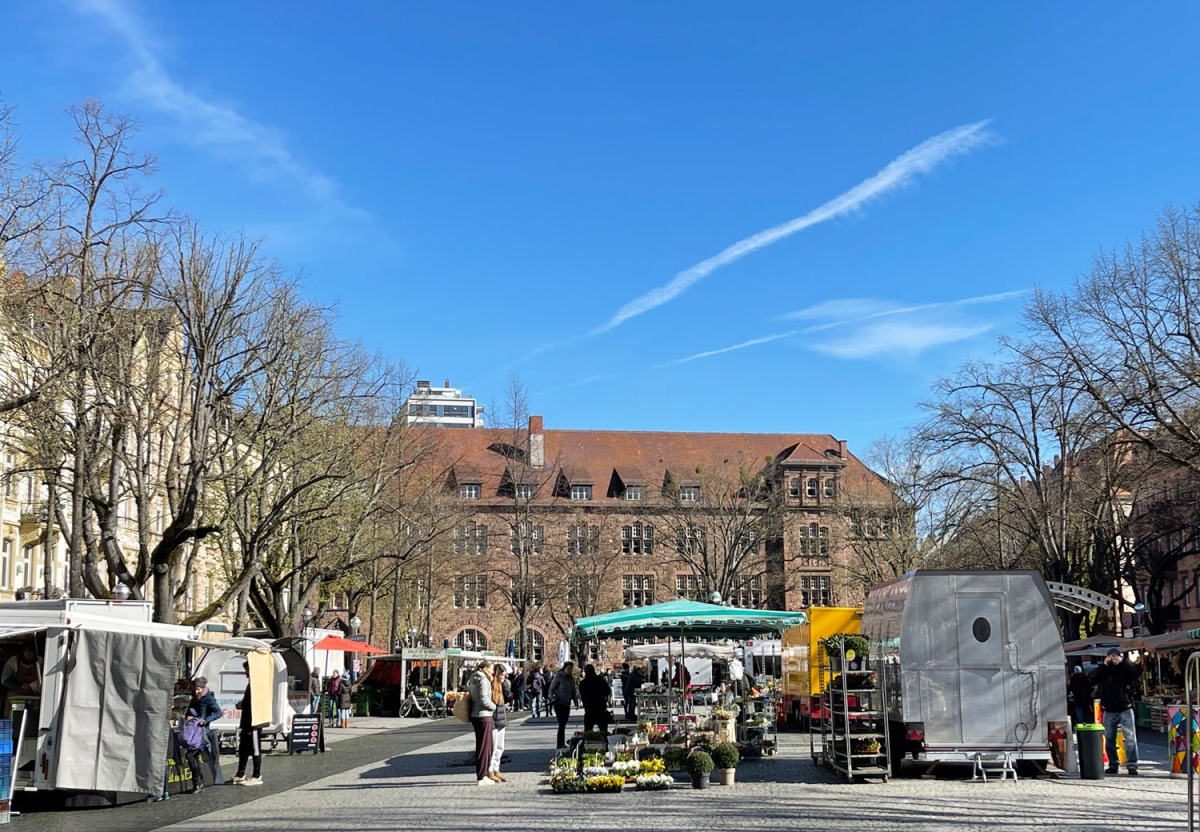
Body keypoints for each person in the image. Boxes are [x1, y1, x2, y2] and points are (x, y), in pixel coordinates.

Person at [1091, 648, 1142, 775]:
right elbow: (1092, 677)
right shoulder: (1104, 670)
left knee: (1130, 738)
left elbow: (1137, 672)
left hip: (1125, 707)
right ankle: (1113, 764)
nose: (1113, 658)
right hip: (1108, 709)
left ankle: (1132, 765)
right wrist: (1104, 666)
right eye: (1111, 656)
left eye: (1116, 656)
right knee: (1109, 739)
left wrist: (1124, 661)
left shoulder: (1125, 668)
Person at [182, 678, 220, 793]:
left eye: (198, 689)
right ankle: (199, 781)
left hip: (202, 733)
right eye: (195, 689)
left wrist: (206, 720)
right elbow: (190, 713)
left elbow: (219, 712)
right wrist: (189, 717)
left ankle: (198, 782)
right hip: (194, 732)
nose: (197, 691)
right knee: (192, 756)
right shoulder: (194, 699)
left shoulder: (208, 698)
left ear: (203, 688)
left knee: (190, 755)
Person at [233, 661, 264, 786]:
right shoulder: (251, 684)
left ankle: (257, 775)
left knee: (255, 748)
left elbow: (255, 702)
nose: (245, 673)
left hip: (254, 722)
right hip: (246, 722)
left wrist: (242, 704)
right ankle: (240, 774)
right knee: (243, 748)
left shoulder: (257, 684)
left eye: (247, 670)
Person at [467, 660, 497, 786]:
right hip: (484, 714)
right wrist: (494, 706)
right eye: (491, 669)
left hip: (475, 714)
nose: (493, 671)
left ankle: (482, 774)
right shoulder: (484, 679)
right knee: (486, 747)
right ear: (485, 668)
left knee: (482, 745)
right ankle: (482, 775)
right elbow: (484, 699)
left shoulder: (473, 678)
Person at [488, 664, 512, 782]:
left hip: (501, 719)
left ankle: (497, 769)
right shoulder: (491, 686)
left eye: (505, 674)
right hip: (493, 720)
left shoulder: (503, 686)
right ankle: (490, 770)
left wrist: (506, 686)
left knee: (500, 747)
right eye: (502, 674)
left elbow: (509, 698)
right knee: (492, 747)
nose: (504, 677)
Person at [548, 661, 577, 750]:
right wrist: (552, 697)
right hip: (559, 703)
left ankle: (561, 743)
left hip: (567, 703)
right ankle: (560, 743)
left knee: (563, 724)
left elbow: (573, 691)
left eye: (571, 669)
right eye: (568, 668)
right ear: (564, 668)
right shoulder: (559, 677)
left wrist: (576, 702)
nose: (569, 670)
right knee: (562, 724)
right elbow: (551, 689)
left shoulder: (571, 678)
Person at [579, 663, 611, 741]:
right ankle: (605, 745)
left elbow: (583, 695)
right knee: (603, 730)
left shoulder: (583, 683)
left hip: (589, 709)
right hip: (601, 707)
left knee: (588, 730)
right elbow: (608, 691)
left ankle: (588, 746)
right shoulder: (600, 680)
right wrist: (602, 696)